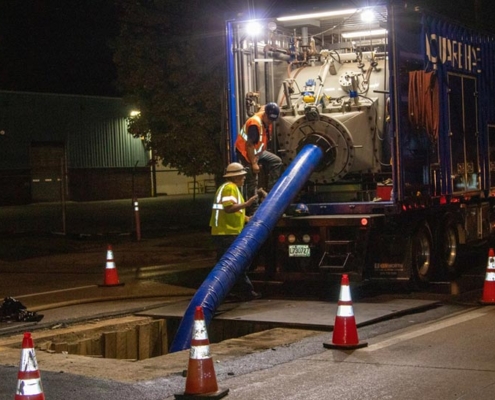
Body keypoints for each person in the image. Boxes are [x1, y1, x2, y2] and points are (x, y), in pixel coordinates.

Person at [209, 162, 261, 301]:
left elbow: (233, 210)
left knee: (226, 266)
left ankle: (227, 292)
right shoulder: (230, 188)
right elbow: (229, 208)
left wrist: (246, 218)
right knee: (237, 264)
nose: (244, 178)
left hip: (223, 232)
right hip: (227, 233)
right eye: (242, 176)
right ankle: (246, 291)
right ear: (236, 177)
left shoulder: (227, 187)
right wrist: (247, 204)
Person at [235, 102, 283, 215]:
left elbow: (264, 107)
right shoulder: (254, 123)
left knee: (276, 161)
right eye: (269, 120)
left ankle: (271, 195)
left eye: (273, 120)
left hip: (258, 152)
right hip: (246, 153)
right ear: (265, 115)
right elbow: (249, 145)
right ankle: (254, 210)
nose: (270, 122)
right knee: (252, 179)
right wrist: (253, 163)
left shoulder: (266, 115)